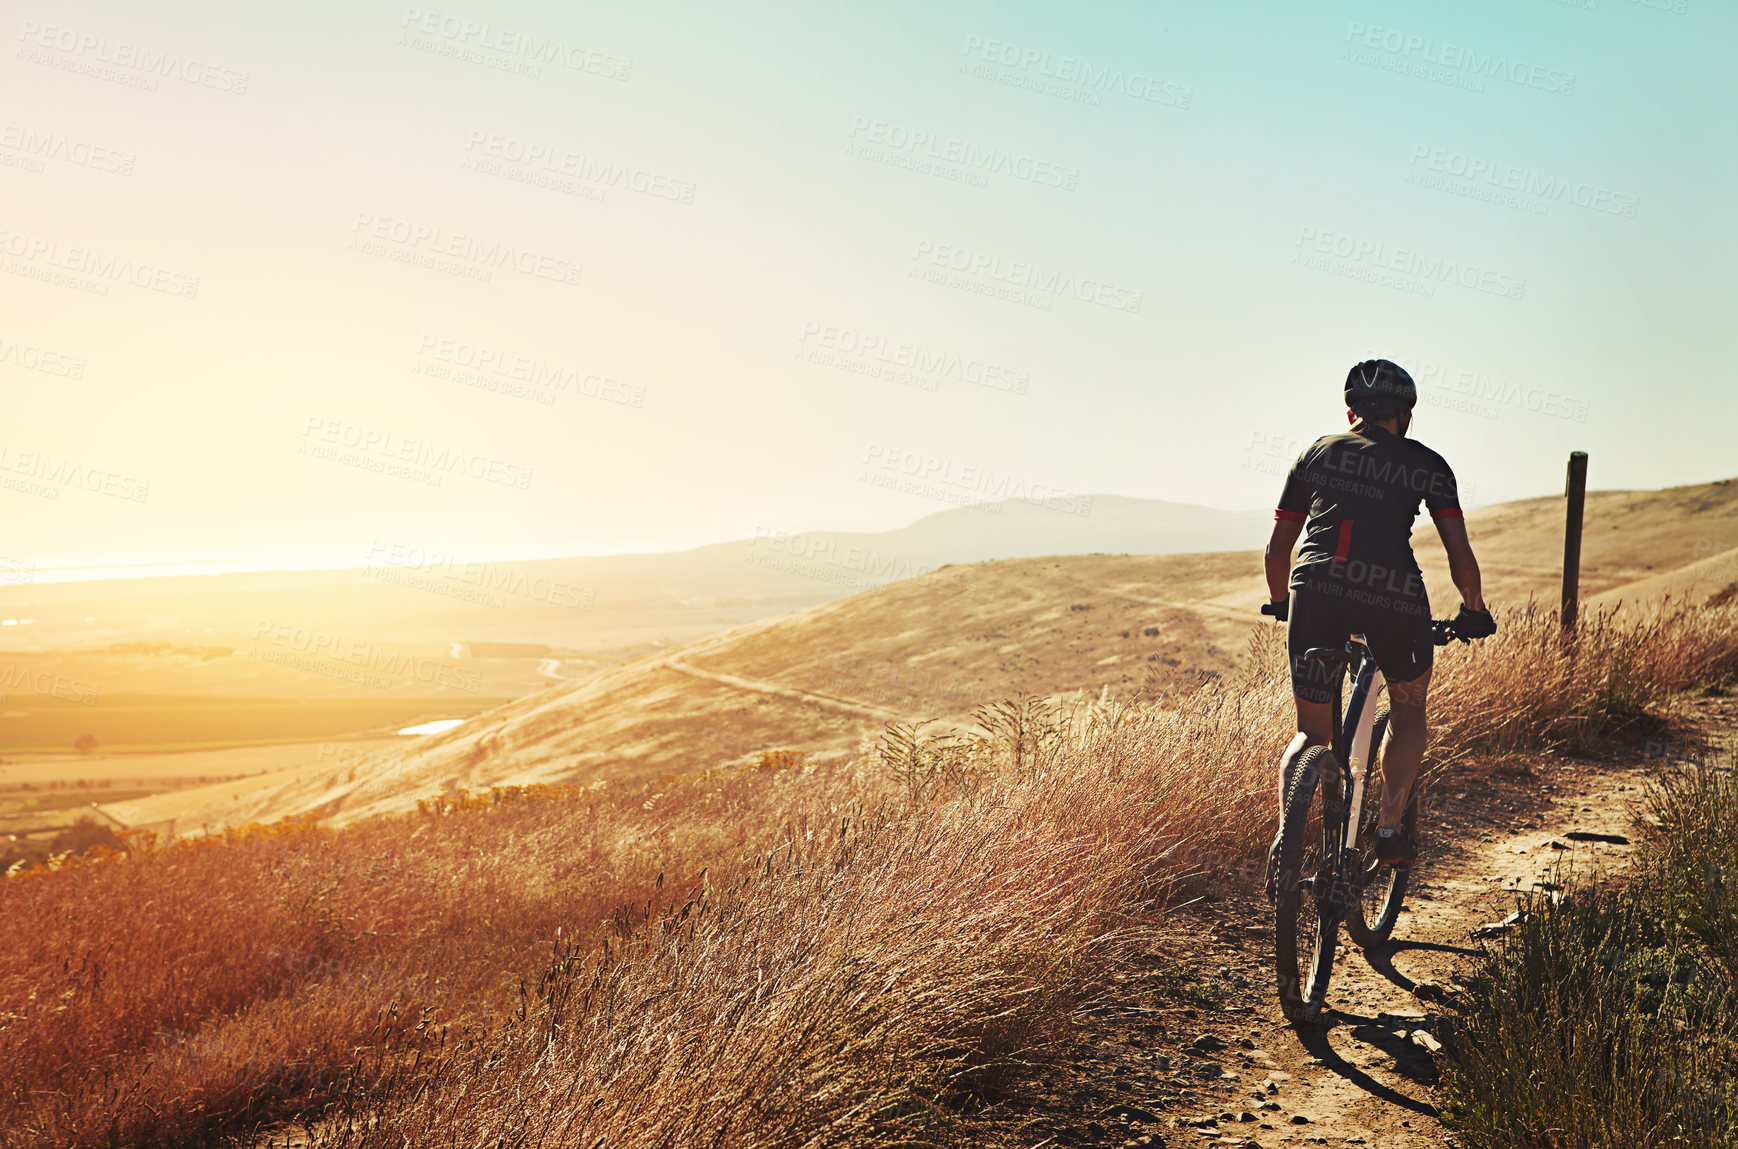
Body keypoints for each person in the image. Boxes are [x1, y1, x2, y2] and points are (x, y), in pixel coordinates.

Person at [1262, 359, 1495, 875]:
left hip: (1315, 588)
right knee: (1409, 707)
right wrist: (1473, 610)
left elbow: (1278, 551)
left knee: (1309, 734)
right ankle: (1389, 828)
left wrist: (1282, 602)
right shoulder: (1428, 464)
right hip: (1392, 593)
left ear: (1351, 414)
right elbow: (1460, 555)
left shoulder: (1313, 455)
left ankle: (1287, 834)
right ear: (1406, 414)